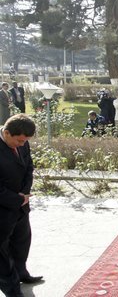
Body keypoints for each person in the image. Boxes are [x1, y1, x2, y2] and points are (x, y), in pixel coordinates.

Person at [0, 114, 43, 297]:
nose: (22, 144)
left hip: (21, 205)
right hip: (2, 208)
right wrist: (16, 198)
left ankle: (21, 272)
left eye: (25, 141)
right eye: (19, 141)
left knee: (21, 242)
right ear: (7, 133)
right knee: (1, 252)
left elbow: (28, 167)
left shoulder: (22, 141)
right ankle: (12, 289)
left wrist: (25, 193)